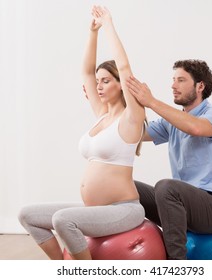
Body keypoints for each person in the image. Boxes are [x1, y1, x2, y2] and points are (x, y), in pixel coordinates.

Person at [18, 6, 145, 260]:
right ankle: (62, 268)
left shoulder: (131, 118)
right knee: (27, 215)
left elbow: (124, 65)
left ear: (121, 85)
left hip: (123, 209)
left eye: (106, 81)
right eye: (98, 82)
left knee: (63, 220)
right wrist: (92, 32)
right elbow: (86, 72)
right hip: (95, 209)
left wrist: (108, 23)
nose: (98, 86)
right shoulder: (101, 115)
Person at [126, 59, 212, 260]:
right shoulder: (170, 123)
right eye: (173, 80)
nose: (173, 85)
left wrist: (151, 102)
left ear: (200, 86)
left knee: (167, 187)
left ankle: (177, 267)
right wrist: (112, 102)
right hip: (183, 208)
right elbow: (132, 133)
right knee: (124, 185)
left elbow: (194, 127)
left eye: (181, 80)